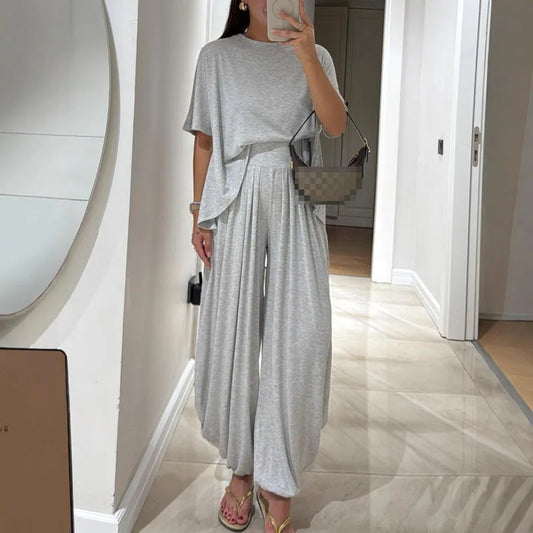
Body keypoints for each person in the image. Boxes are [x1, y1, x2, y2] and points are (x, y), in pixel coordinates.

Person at [183, 1, 346, 531]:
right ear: (243, 2)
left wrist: (307, 55)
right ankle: (242, 466)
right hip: (235, 195)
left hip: (299, 195)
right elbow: (205, 142)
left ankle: (279, 476)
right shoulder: (216, 58)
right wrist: (199, 214)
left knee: (301, 337)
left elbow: (335, 126)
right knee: (231, 333)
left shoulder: (316, 53)